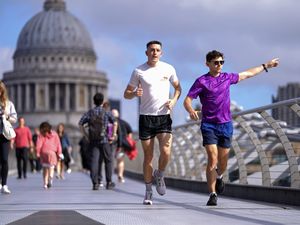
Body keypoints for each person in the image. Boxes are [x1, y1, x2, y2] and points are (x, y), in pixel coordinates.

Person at [183, 50, 279, 206]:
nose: (219, 65)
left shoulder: (227, 78)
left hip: (226, 124)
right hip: (208, 125)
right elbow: (187, 100)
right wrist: (190, 110)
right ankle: (212, 194)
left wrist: (266, 65)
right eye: (216, 62)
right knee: (212, 158)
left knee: (223, 162)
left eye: (221, 62)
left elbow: (247, 74)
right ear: (207, 64)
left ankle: (220, 176)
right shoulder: (201, 81)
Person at [123, 40, 182, 205]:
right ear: (146, 53)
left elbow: (178, 88)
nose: (155, 52)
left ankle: (160, 174)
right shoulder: (138, 71)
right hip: (146, 117)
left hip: (164, 116)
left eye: (157, 50)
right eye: (152, 50)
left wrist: (174, 101)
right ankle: (148, 191)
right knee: (148, 157)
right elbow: (126, 94)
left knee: (166, 151)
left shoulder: (168, 68)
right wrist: (135, 93)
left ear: (161, 53)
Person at [78, 93, 118, 190]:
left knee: (94, 162)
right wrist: (113, 135)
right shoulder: (106, 112)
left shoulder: (90, 112)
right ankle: (108, 182)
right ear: (102, 101)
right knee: (108, 161)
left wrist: (86, 135)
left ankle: (95, 183)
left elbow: (80, 124)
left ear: (94, 101)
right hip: (104, 140)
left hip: (94, 141)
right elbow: (115, 122)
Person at [0, 80, 17, 194]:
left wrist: (6, 117)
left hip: (5, 134)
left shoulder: (9, 104)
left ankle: (4, 184)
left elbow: (14, 119)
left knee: (4, 159)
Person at [36, 122, 62, 189]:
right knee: (51, 167)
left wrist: (38, 153)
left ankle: (45, 183)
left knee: (45, 169)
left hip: (43, 153)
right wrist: (59, 153)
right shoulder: (55, 134)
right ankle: (50, 177)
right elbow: (58, 144)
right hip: (52, 153)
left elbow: (39, 145)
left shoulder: (41, 135)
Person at [111, 109, 133, 183]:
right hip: (122, 144)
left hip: (112, 144)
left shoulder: (110, 122)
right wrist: (129, 140)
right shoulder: (124, 122)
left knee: (111, 160)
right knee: (120, 160)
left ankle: (110, 176)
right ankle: (120, 175)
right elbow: (130, 131)